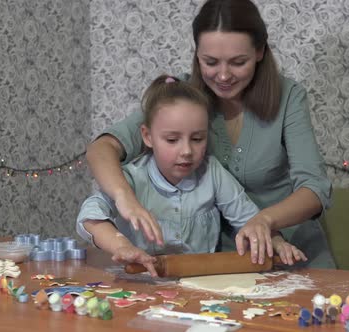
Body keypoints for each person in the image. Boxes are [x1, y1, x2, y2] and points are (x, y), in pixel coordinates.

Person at [86, 0, 335, 268]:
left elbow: (314, 189)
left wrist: (265, 220)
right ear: (197, 55)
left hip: (292, 249)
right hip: (228, 262)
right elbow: (102, 149)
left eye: (238, 62)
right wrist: (125, 198)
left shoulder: (289, 98)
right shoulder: (180, 99)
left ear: (260, 51)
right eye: (211, 62)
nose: (224, 75)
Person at [77, 75, 306, 277]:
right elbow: (90, 217)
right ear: (147, 136)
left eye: (197, 139)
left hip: (199, 287)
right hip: (139, 284)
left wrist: (275, 240)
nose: (186, 151)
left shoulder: (213, 173)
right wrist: (120, 246)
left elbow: (248, 219)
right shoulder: (131, 179)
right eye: (172, 140)